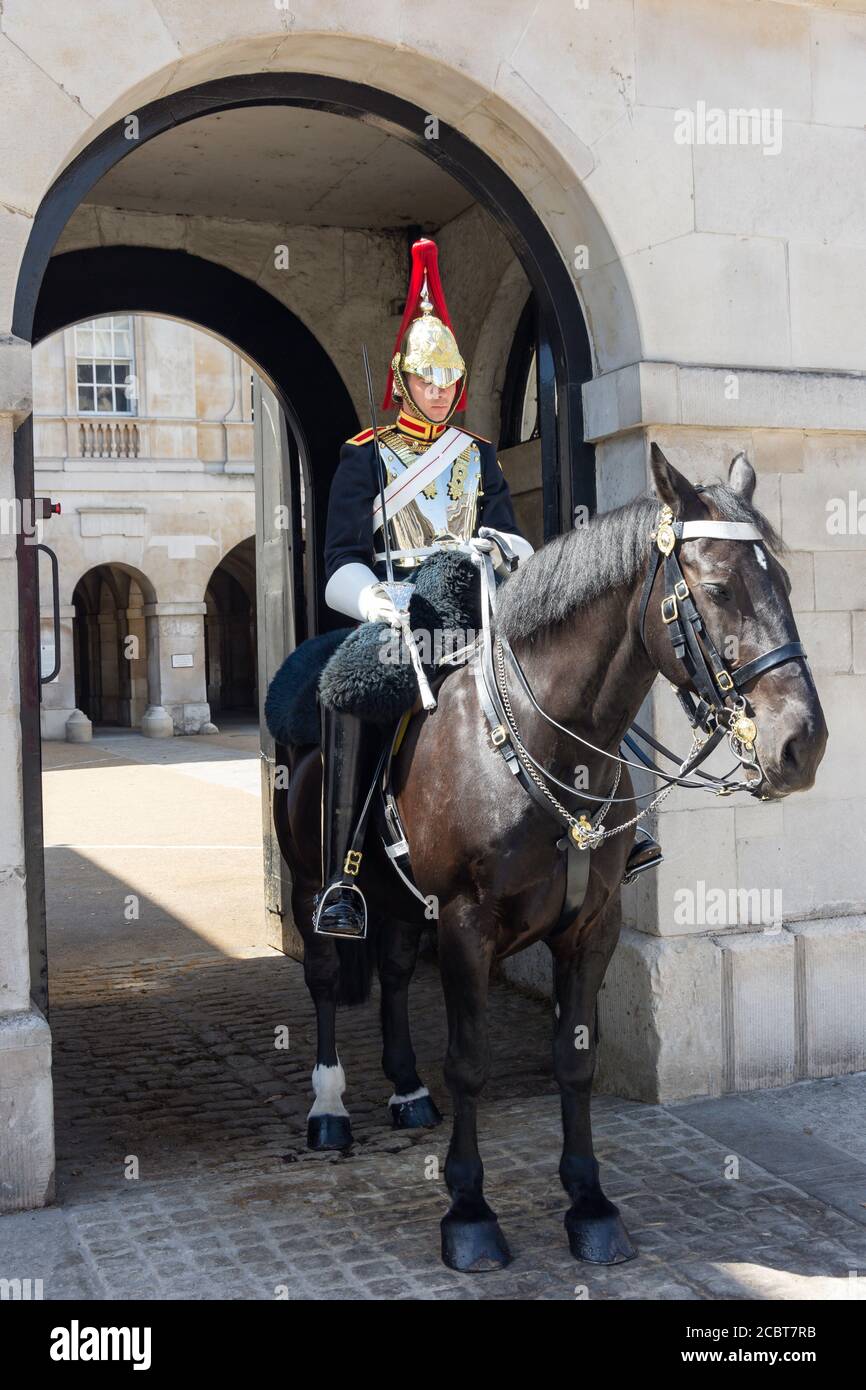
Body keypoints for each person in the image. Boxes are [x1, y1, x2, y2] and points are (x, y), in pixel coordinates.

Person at [314, 237, 532, 938]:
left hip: (475, 608)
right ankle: (344, 878)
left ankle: (606, 831)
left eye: (448, 382)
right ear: (403, 380)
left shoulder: (478, 457)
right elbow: (340, 560)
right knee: (351, 691)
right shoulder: (364, 457)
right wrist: (374, 599)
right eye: (426, 380)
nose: (438, 393)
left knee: (571, 674)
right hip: (401, 616)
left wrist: (499, 545)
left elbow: (514, 536)